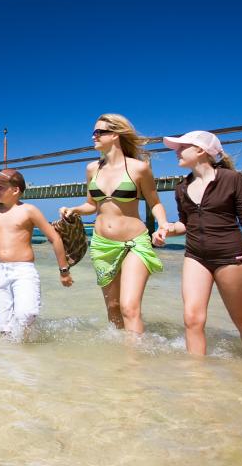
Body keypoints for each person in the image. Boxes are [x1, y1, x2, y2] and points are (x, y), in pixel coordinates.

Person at [153, 130, 242, 355]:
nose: (176, 151)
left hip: (229, 257)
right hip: (195, 257)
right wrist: (166, 230)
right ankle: (198, 378)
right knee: (192, 318)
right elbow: (186, 224)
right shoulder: (181, 188)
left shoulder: (232, 179)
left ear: (201, 150)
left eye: (181, 147)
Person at [59, 113, 171, 334]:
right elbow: (91, 204)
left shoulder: (139, 168)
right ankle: (120, 360)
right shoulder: (92, 169)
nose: (94, 136)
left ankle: (134, 362)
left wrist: (163, 224)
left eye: (99, 132)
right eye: (93, 132)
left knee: (129, 307)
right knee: (113, 308)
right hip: (102, 245)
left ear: (116, 135)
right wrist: (74, 210)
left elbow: (154, 202)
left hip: (134, 243)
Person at [0, 169, 73, 340]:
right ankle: (9, 358)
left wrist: (64, 270)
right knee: (3, 323)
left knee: (26, 313)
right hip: (1, 270)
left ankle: (26, 344)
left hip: (23, 270)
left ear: (15, 190)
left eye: (1, 187)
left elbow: (55, 238)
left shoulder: (29, 210)